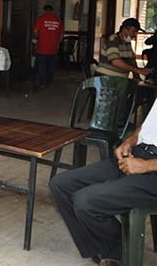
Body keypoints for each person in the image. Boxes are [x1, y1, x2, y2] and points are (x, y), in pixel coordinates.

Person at [50, 99, 157, 266]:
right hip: (139, 153)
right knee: (61, 185)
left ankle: (118, 250)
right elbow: (148, 125)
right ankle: (110, 248)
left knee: (85, 201)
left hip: (152, 172)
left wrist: (146, 165)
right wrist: (129, 142)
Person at [33, 4, 63, 88]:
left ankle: (42, 83)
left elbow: (35, 31)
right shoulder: (58, 20)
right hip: (53, 48)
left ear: (44, 10)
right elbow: (61, 35)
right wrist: (57, 44)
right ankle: (50, 83)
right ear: (52, 11)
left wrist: (36, 39)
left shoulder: (41, 19)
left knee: (42, 66)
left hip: (42, 48)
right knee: (51, 66)